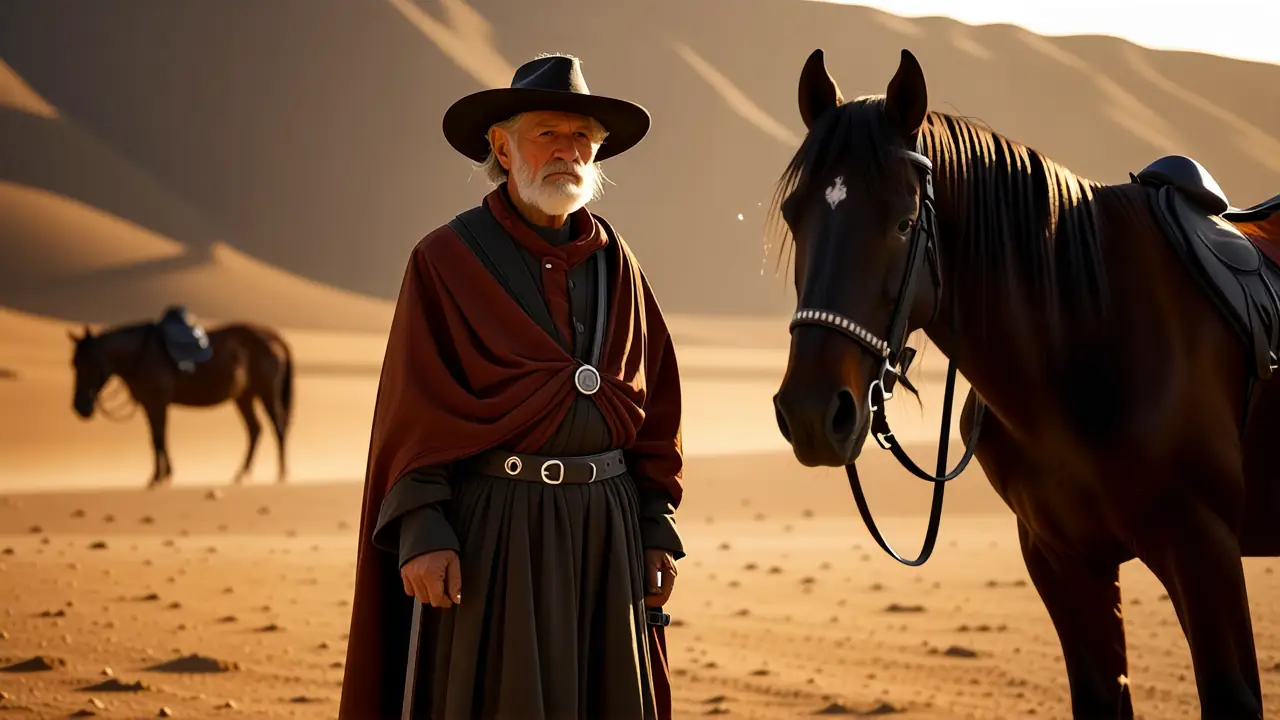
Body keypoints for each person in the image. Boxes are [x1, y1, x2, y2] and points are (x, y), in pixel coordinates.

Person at [339, 53, 686, 720]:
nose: (568, 151)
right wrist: (423, 529)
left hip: (607, 536)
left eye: (582, 136)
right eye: (547, 133)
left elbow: (657, 408)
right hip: (496, 534)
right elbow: (414, 409)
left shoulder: (621, 265)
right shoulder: (446, 259)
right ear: (502, 148)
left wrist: (655, 528)